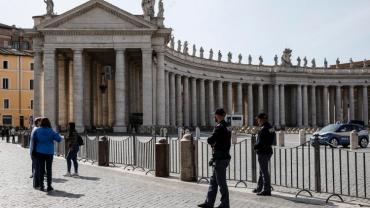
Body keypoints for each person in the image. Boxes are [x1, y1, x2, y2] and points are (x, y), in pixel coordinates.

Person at [198, 109, 231, 208]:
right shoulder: (227, 126)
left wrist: (210, 140)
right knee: (213, 181)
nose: (214, 117)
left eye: (215, 115)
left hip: (220, 157)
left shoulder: (219, 127)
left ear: (218, 116)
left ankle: (225, 204)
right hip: (222, 156)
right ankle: (209, 202)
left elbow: (211, 139)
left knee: (221, 182)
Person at [31, 118, 62, 192]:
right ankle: (49, 186)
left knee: (41, 169)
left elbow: (33, 140)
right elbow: (59, 139)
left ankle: (41, 185)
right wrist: (56, 133)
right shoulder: (51, 131)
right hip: (49, 152)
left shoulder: (37, 130)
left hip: (39, 152)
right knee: (49, 169)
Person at [253, 113, 275, 196]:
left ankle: (266, 190)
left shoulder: (263, 129)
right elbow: (272, 138)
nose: (257, 121)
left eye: (258, 119)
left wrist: (255, 146)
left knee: (264, 171)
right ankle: (259, 187)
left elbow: (261, 142)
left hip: (263, 152)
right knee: (262, 170)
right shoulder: (270, 127)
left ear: (261, 119)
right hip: (268, 151)